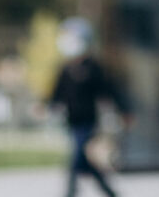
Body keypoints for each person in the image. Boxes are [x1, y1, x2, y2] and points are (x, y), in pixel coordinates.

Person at [49, 17, 134, 197]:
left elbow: (110, 90)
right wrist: (48, 106)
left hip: (89, 122)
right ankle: (109, 192)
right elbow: (57, 93)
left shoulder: (94, 68)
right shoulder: (66, 69)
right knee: (85, 162)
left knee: (76, 159)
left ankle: (70, 193)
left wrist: (124, 111)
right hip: (72, 121)